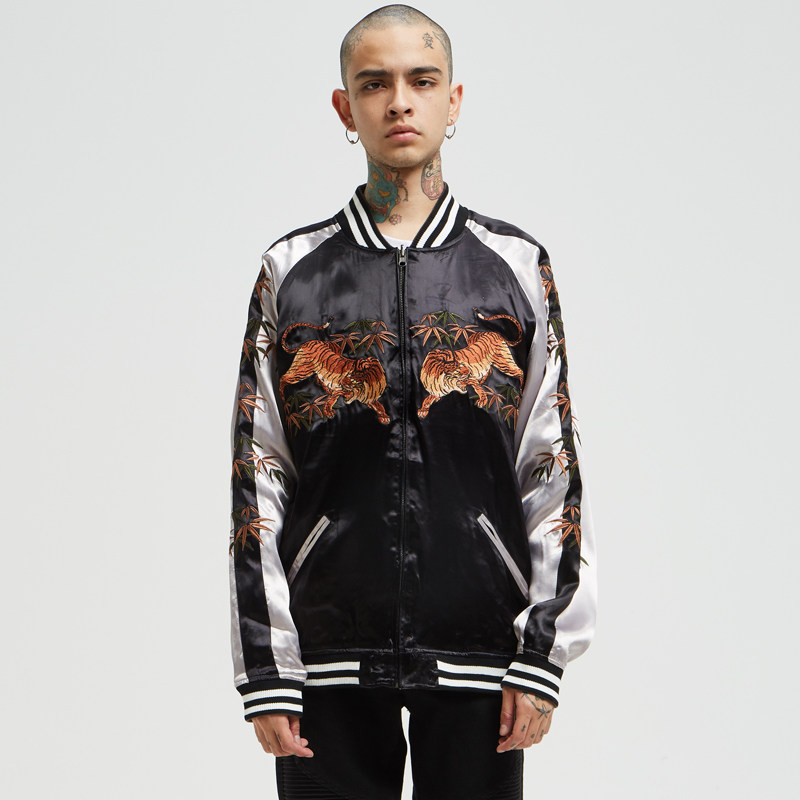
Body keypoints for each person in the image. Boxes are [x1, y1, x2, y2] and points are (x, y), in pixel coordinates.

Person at [229, 5, 596, 799]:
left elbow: (551, 463)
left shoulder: (514, 266)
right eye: (375, 84)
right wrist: (268, 662)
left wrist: (542, 651)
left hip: (480, 649)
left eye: (421, 81)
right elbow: (258, 470)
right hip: (327, 654)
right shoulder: (292, 271)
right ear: (345, 108)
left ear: (453, 100)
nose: (399, 101)